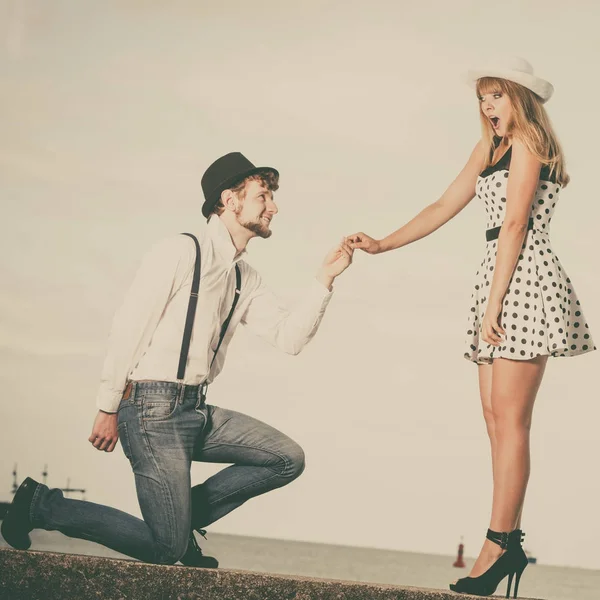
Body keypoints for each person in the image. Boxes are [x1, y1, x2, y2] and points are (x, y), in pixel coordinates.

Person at [2, 152, 354, 568]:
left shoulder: (245, 276)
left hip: (196, 408)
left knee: (286, 458)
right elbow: (130, 326)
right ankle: (41, 506)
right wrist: (107, 405)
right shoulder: (180, 251)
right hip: (151, 408)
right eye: (263, 196)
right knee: (166, 551)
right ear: (231, 199)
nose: (273, 207)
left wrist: (324, 280)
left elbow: (289, 338)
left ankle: (179, 524)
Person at [346, 57, 595, 597]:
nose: (487, 106)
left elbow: (514, 222)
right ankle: (504, 540)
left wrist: (496, 301)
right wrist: (383, 243)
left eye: (497, 96)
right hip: (495, 277)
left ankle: (499, 543)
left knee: (511, 421)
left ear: (520, 100)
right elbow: (444, 204)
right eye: (483, 97)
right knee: (494, 420)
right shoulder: (488, 149)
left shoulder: (529, 143)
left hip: (522, 276)